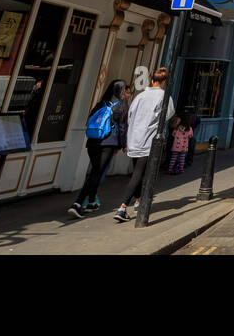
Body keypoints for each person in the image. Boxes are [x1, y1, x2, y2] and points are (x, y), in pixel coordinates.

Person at [113, 67, 174, 221]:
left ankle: (138, 201)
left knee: (138, 172)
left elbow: (130, 115)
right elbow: (168, 115)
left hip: (134, 138)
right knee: (139, 174)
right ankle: (122, 207)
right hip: (149, 140)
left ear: (152, 80)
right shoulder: (164, 97)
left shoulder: (140, 96)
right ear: (164, 82)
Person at [69, 80, 128, 217]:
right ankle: (77, 204)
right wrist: (123, 144)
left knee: (96, 171)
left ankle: (91, 201)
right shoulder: (120, 105)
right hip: (108, 143)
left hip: (93, 141)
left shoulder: (101, 103)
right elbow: (122, 128)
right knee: (96, 173)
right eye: (124, 89)